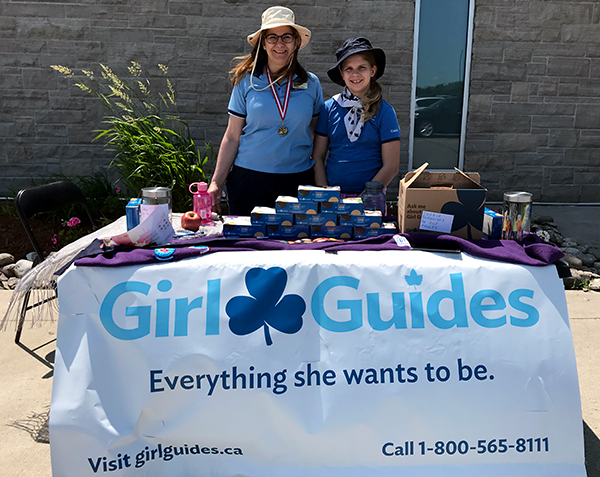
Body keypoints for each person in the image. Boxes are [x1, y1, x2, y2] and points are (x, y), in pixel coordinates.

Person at [208, 6, 324, 216]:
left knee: (296, 247)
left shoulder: (312, 83)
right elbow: (232, 136)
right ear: (262, 42)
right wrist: (216, 182)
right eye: (272, 37)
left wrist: (320, 181)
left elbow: (314, 134)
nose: (280, 44)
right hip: (250, 181)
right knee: (247, 247)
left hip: (297, 181)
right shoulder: (246, 81)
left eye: (286, 37)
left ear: (296, 42)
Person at [313, 37, 400, 195]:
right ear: (342, 73)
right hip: (333, 197)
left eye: (362, 68)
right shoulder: (328, 108)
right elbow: (317, 156)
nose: (355, 74)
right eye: (349, 69)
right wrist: (324, 192)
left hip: (370, 198)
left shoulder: (385, 111)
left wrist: (365, 198)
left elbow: (392, 166)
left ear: (372, 71)